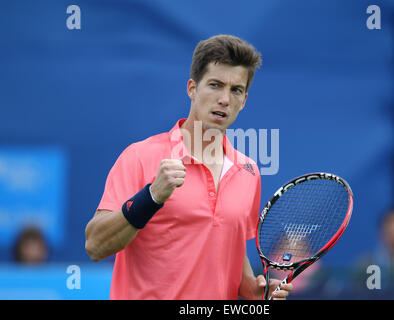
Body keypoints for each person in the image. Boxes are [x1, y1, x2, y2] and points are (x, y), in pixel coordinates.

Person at [85, 34, 293, 300]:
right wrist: (151, 197)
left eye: (236, 90)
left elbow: (229, 247)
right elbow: (95, 245)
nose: (225, 100)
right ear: (192, 89)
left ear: (244, 100)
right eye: (215, 85)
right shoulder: (140, 157)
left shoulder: (248, 171)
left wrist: (253, 289)